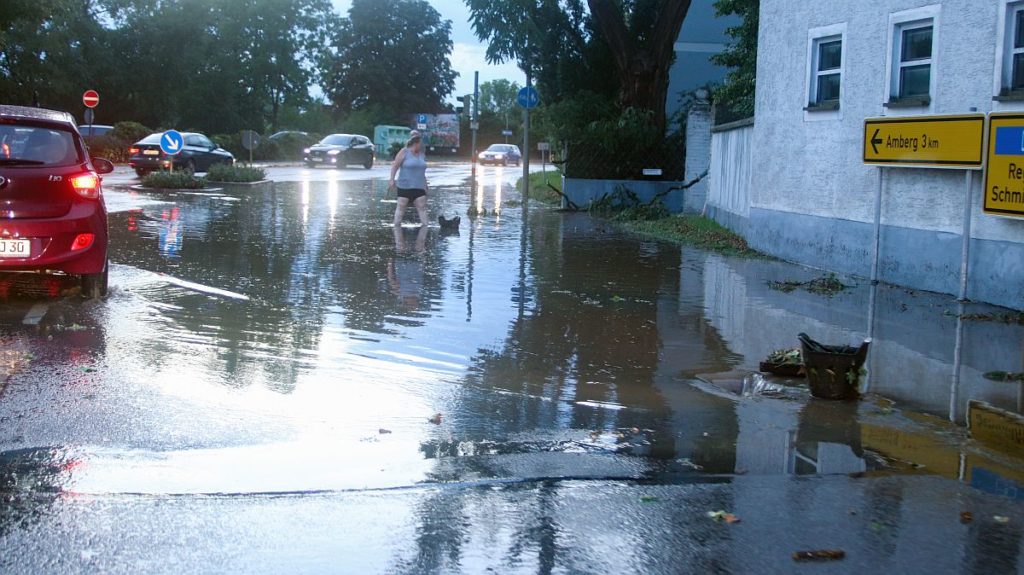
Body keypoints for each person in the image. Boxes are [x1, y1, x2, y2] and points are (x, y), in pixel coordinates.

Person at [389, 134, 428, 226]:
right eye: (421, 144)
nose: (422, 146)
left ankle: (425, 229)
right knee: (401, 207)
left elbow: (422, 171)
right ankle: (397, 231)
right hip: (404, 185)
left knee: (422, 207)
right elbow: (395, 166)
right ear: (416, 143)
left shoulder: (422, 155)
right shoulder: (404, 152)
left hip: (419, 186)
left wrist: (425, 184)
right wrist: (392, 179)